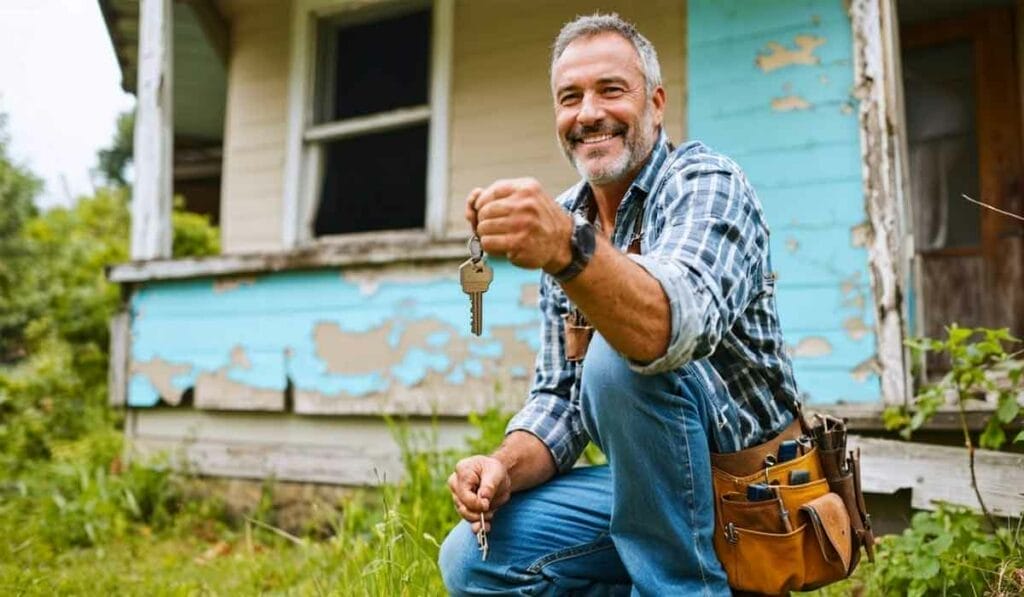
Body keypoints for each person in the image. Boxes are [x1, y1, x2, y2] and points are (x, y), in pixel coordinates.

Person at [439, 13, 800, 596]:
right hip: (653, 483)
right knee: (473, 561)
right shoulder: (570, 215)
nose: (588, 113)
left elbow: (668, 328)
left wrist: (567, 248)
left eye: (611, 90)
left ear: (655, 103)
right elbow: (560, 399)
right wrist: (504, 465)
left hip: (751, 481)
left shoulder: (707, 182)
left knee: (617, 354)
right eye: (570, 97)